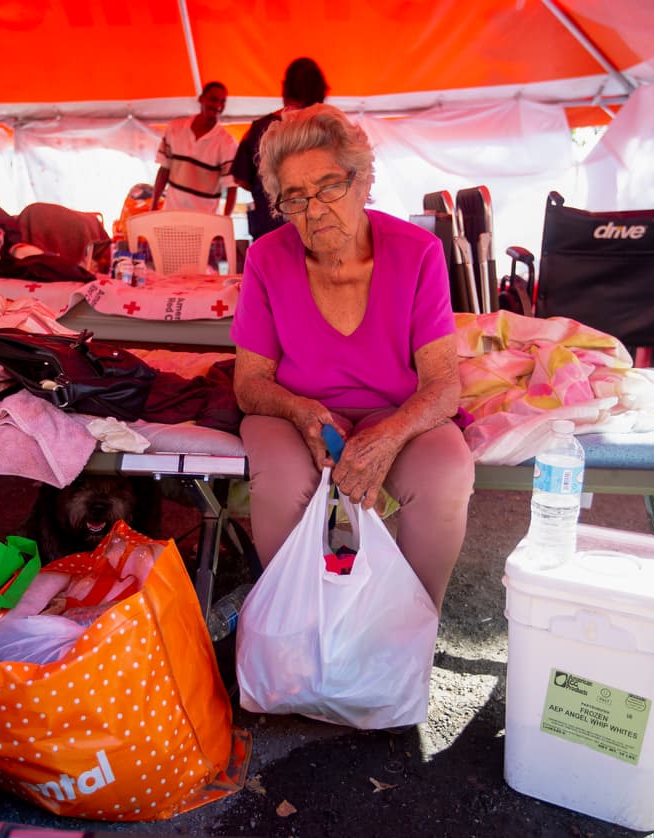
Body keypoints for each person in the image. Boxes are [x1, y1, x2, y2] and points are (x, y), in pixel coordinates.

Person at [230, 104, 474, 610]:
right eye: (294, 198)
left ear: (363, 181)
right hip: (299, 410)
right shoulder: (266, 258)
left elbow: (443, 384)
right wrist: (299, 411)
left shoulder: (418, 253)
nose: (314, 210)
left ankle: (411, 628)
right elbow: (250, 382)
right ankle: (293, 628)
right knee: (281, 478)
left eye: (329, 187)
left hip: (398, 412)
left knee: (446, 471)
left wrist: (387, 437)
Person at [231, 58, 328, 241]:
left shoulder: (261, 128)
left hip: (271, 225)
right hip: (319, 224)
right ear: (321, 89)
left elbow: (240, 178)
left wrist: (270, 184)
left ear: (286, 87)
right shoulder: (330, 127)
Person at [151, 82, 237, 216]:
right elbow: (163, 171)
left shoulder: (227, 143)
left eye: (222, 102)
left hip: (205, 222)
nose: (218, 105)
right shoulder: (175, 128)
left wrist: (224, 223)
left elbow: (232, 188)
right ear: (201, 99)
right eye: (213, 99)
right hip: (172, 215)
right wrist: (153, 207)